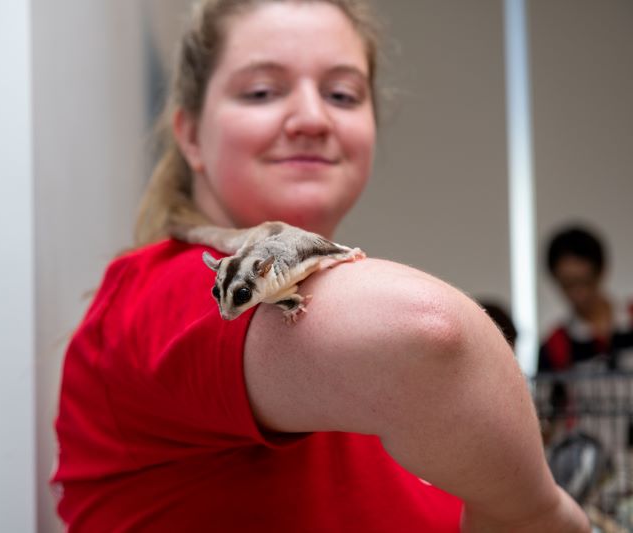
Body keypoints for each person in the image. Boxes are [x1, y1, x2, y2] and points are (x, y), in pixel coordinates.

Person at [51, 1, 589, 531]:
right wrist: (537, 512)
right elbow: (429, 335)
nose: (311, 118)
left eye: (342, 94)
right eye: (261, 91)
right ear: (190, 134)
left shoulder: (349, 357)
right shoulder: (160, 295)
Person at [538, 225, 633, 372]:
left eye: (584, 282)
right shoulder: (555, 346)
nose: (578, 294)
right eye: (567, 284)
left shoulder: (629, 318)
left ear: (601, 272)